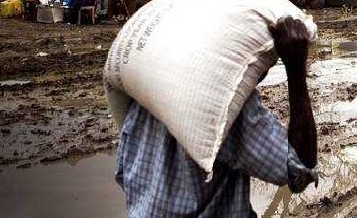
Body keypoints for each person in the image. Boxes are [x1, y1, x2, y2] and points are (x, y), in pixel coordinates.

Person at [115, 16, 318, 217]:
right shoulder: (226, 99)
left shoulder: (142, 85)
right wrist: (296, 69)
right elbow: (298, 171)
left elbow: (124, 174)